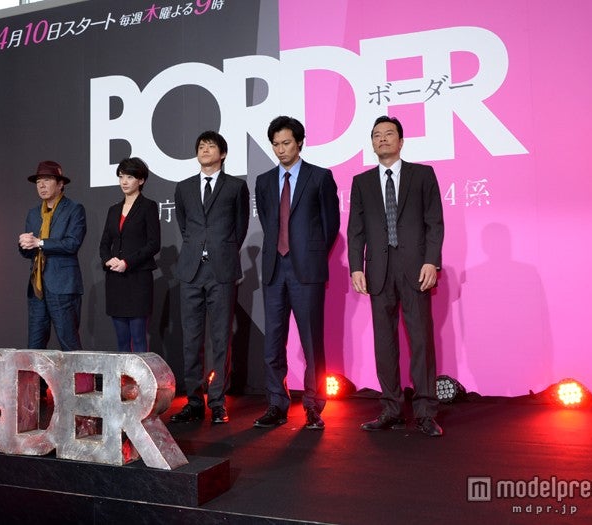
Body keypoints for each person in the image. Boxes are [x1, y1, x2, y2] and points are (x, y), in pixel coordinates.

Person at [347, 115, 445, 437]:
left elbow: (434, 223)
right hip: (378, 271)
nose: (383, 139)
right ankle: (391, 409)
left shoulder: (422, 175)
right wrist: (356, 267)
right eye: (377, 135)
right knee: (384, 344)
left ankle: (425, 412)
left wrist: (431, 262)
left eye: (389, 134)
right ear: (372, 143)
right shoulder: (362, 182)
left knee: (421, 341)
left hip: (416, 270)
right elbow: (355, 230)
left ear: (401, 141)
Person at [253, 116, 340, 431]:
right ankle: (276, 404)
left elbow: (330, 225)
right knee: (273, 341)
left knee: (311, 341)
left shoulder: (320, 177)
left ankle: (314, 405)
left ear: (300, 142)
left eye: (286, 143)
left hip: (307, 269)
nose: (281, 149)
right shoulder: (264, 181)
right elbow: (269, 221)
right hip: (274, 269)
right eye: (275, 144)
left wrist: (310, 253)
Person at [170, 131, 250, 425]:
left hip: (222, 270)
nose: (204, 149)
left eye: (211, 146)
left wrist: (221, 250)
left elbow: (240, 227)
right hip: (191, 270)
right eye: (201, 146)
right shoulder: (184, 188)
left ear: (223, 154)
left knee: (220, 338)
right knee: (191, 339)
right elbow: (185, 225)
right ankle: (193, 401)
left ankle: (217, 401)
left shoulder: (236, 187)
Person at [19, 160, 87, 351]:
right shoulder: (33, 213)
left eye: (47, 180)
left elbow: (72, 243)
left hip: (63, 286)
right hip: (37, 287)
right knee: (34, 345)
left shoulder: (74, 209)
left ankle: (78, 374)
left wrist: (40, 242)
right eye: (38, 181)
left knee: (69, 343)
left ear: (60, 183)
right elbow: (29, 251)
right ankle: (35, 373)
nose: (41, 185)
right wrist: (24, 244)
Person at [99, 157, 161, 352]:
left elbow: (154, 244)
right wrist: (108, 260)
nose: (124, 182)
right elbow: (104, 243)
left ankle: (141, 373)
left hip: (137, 278)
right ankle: (123, 373)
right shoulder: (113, 210)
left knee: (139, 337)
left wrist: (127, 262)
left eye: (129, 177)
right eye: (121, 177)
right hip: (115, 280)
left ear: (141, 180)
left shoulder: (148, 206)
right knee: (122, 341)